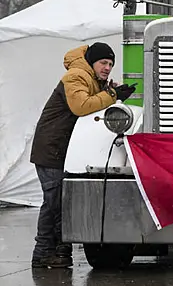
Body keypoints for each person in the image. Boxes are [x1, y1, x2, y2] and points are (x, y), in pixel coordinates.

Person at [29, 43, 136, 269]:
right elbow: (81, 106)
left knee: (62, 201)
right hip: (51, 148)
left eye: (110, 64)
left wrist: (114, 95)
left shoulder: (92, 78)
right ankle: (42, 253)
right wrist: (112, 94)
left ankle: (59, 253)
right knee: (54, 202)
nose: (107, 68)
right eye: (103, 63)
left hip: (62, 149)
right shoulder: (76, 75)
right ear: (92, 61)